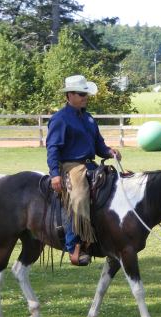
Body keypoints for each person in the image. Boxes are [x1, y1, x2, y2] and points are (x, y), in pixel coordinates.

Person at [46, 75, 121, 266]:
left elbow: (99, 145)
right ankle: (74, 247)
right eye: (81, 94)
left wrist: (109, 151)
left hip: (91, 165)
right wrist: (55, 174)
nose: (85, 97)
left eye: (85, 93)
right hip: (71, 166)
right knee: (78, 198)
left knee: (116, 186)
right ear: (69, 95)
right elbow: (53, 147)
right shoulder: (60, 119)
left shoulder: (88, 118)